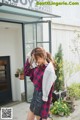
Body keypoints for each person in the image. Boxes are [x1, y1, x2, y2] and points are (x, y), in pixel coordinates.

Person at [24, 47, 57, 120]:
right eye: (34, 59)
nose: (35, 61)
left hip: (41, 98)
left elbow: (49, 89)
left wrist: (45, 102)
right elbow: (27, 72)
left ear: (42, 56)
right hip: (35, 95)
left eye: (37, 58)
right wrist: (28, 57)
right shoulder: (38, 68)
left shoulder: (49, 70)